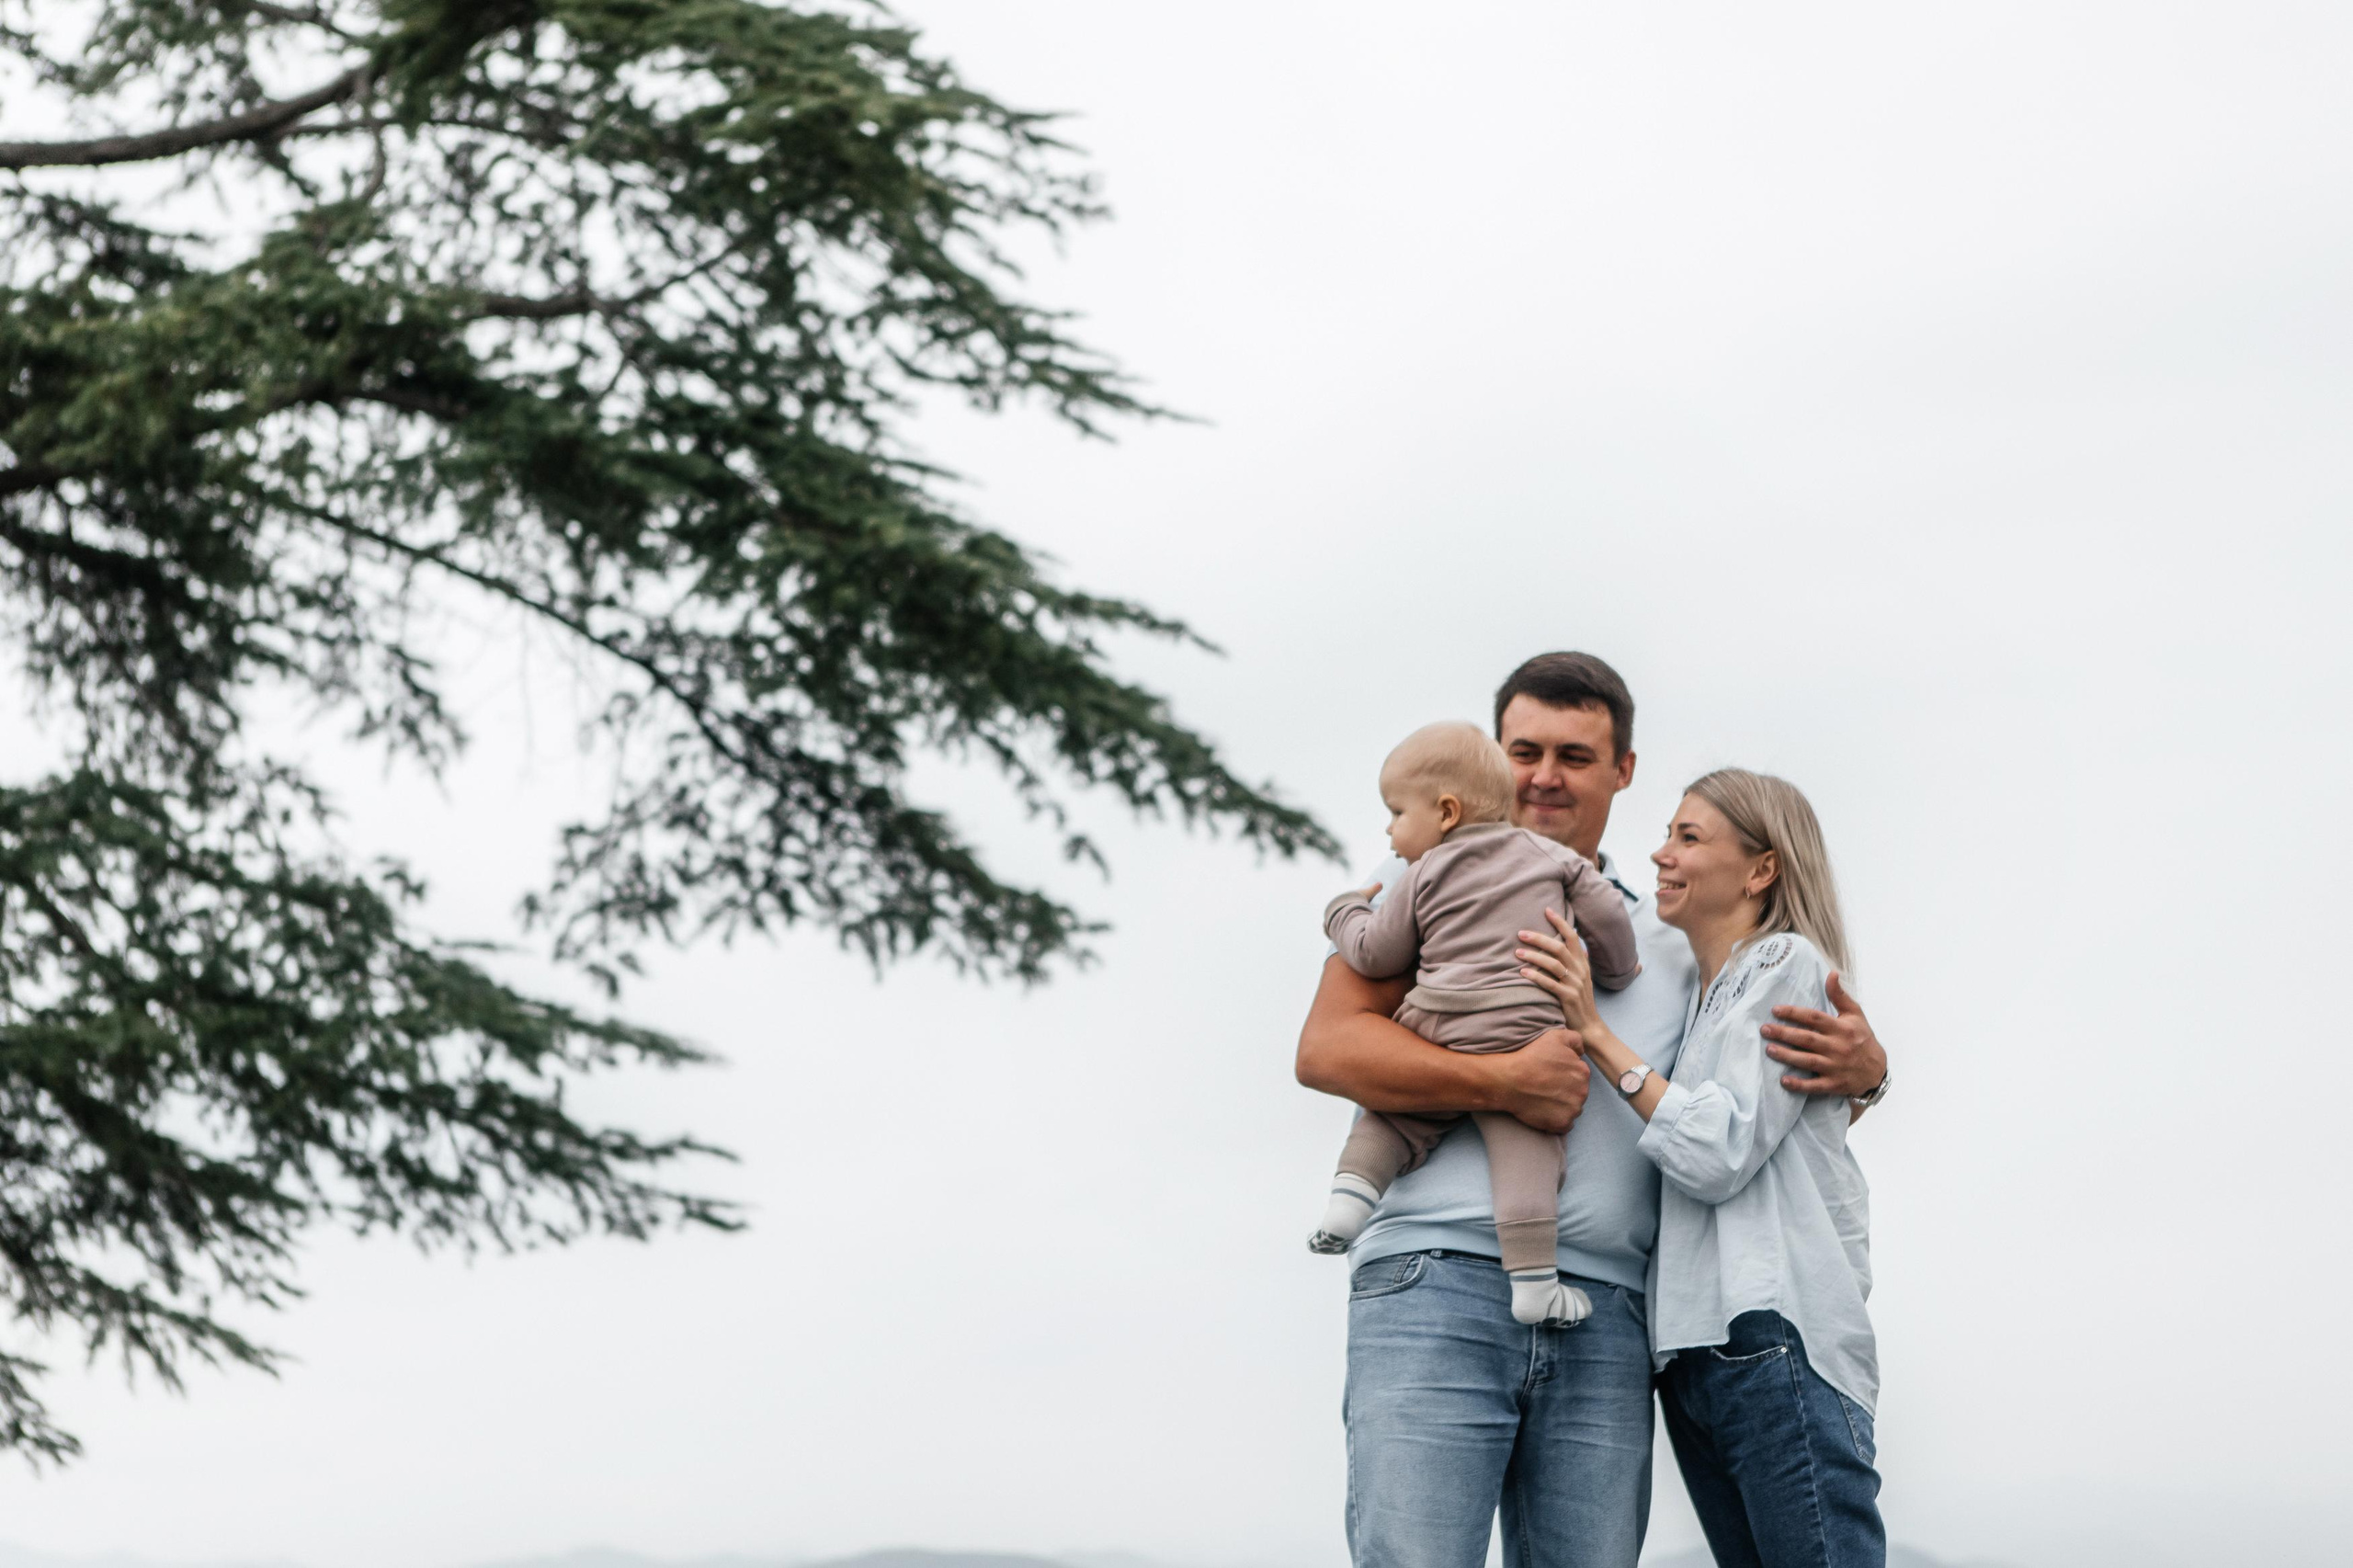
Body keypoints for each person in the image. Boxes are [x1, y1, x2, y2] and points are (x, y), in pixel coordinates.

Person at [1295, 653, 1888, 1568]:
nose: (1541, 774)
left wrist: (1868, 1070)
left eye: (1574, 754)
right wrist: (1501, 1083)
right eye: (1522, 748)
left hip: (1610, 1318)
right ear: (1489, 758)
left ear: (1623, 771)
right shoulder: (1425, 876)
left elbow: (1750, 1096)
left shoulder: (1673, 934)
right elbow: (1327, 1049)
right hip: (1434, 1285)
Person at [1516, 767, 1884, 1567]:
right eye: (1667, 835)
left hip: (1772, 1332)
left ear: (1762, 869)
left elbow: (1717, 1152)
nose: (1660, 854)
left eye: (1689, 837)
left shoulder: (1786, 965)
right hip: (1695, 1353)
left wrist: (1593, 1032)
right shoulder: (1698, 996)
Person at [1313, 720, 1642, 1329]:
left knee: (1397, 1117)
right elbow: (1608, 917)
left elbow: (1374, 953)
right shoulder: (1556, 857)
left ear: (1445, 811)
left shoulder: (1419, 874)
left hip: (1437, 1019)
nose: (1389, 830)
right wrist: (1618, 972)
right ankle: (1535, 1283)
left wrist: (1344, 910)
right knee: (1531, 1151)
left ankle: (1347, 1202)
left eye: (1395, 813)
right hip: (1525, 1029)